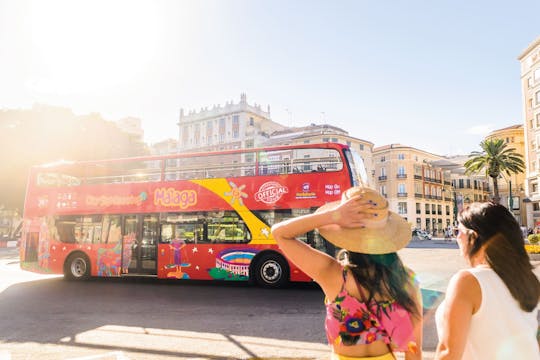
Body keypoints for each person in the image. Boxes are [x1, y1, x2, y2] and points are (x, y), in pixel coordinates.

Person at [271, 186, 422, 360]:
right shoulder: (406, 279)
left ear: (344, 231)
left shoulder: (332, 273)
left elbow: (280, 233)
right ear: (386, 235)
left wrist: (333, 215)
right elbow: (414, 350)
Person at [434, 202, 540, 359]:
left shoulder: (468, 281)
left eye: (459, 231)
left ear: (474, 237)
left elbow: (449, 353)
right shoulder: (528, 279)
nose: (456, 237)